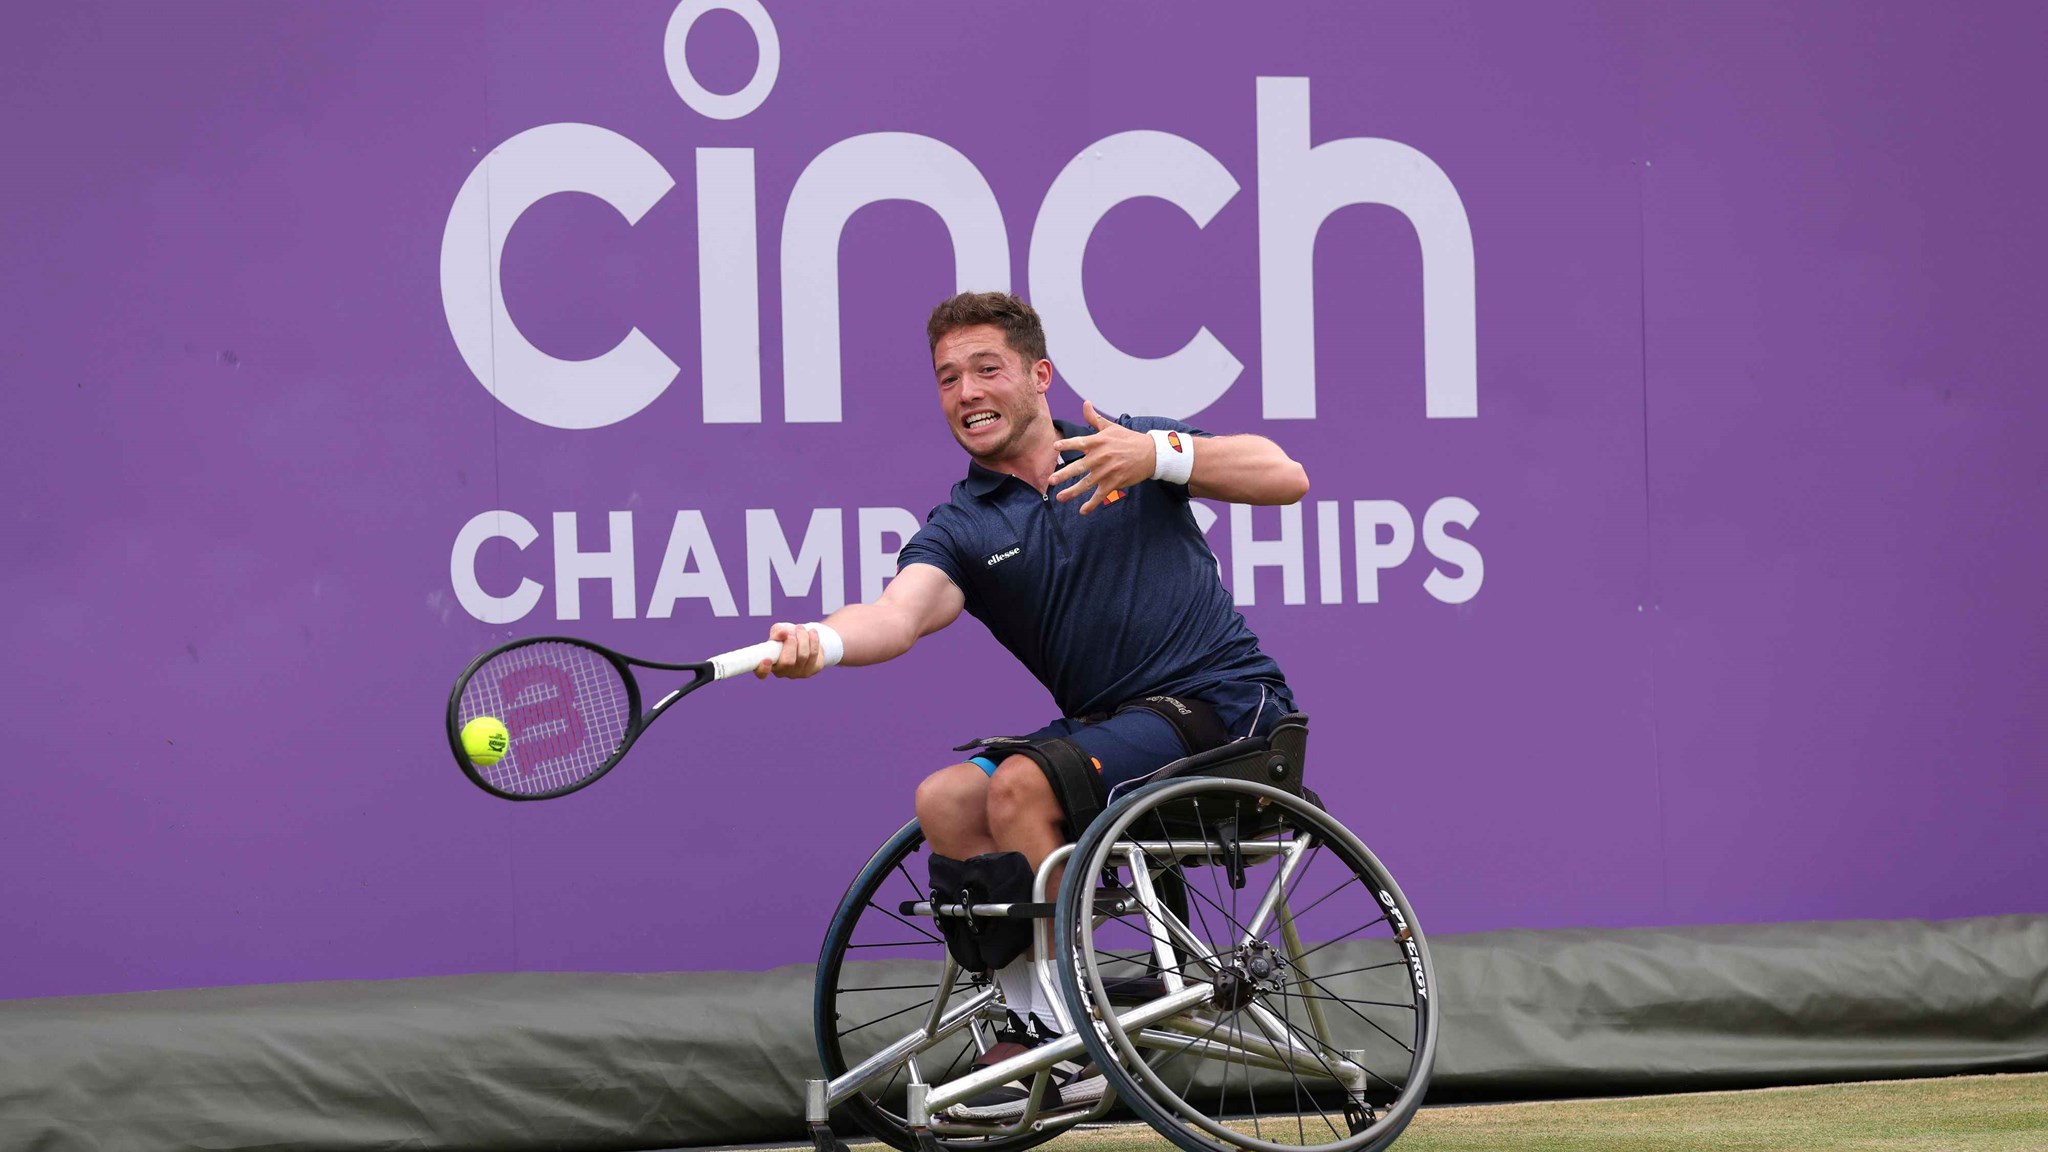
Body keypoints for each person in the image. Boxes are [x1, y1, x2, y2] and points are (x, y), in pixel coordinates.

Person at [756, 291, 1308, 1116]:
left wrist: (1160, 455)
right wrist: (821, 642)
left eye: (987, 369)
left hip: (1228, 711)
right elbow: (896, 614)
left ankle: (1071, 1040)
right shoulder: (964, 525)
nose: (967, 393)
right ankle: (1035, 1012)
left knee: (1019, 784)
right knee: (946, 798)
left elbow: (1285, 476)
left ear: (1039, 376)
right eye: (948, 379)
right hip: (1113, 734)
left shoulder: (1122, 446)